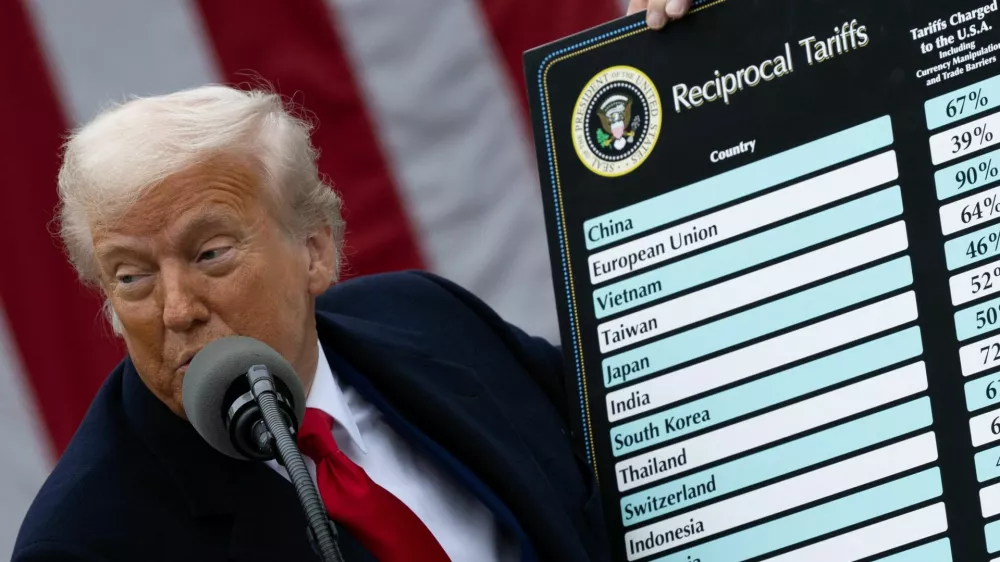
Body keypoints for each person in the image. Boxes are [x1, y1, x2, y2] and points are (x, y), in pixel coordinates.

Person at [12, 2, 691, 560]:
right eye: (131, 278)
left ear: (315, 251)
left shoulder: (432, 320)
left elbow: (658, 432)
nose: (178, 309)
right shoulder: (84, 544)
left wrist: (705, 39)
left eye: (211, 254)